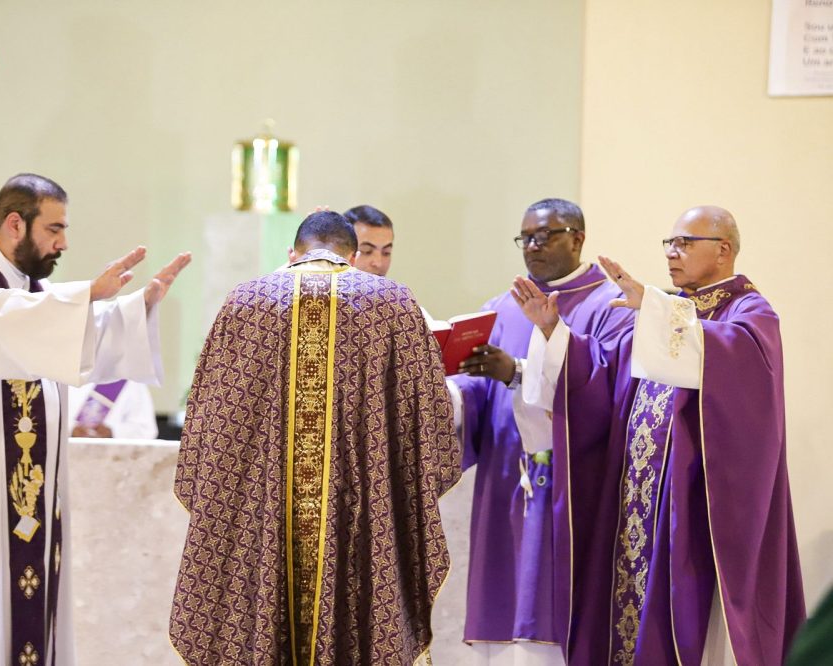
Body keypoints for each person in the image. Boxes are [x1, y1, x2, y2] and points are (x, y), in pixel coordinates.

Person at [0, 173, 191, 665]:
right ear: (15, 223)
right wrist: (82, 297)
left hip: (27, 497)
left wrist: (134, 309)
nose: (63, 243)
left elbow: (66, 338)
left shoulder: (29, 288)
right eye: (55, 229)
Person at [512, 205, 805, 664]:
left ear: (724, 249)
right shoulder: (661, 312)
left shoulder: (748, 311)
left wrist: (655, 308)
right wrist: (553, 329)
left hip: (696, 509)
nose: (672, 252)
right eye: (669, 243)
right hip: (637, 504)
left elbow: (738, 366)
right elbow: (600, 376)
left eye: (686, 243)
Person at [170, 211, 460, 665]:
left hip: (264, 524)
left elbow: (206, 433)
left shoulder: (245, 303)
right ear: (352, 254)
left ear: (293, 254)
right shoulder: (393, 304)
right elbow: (433, 427)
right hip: (360, 523)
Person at [449, 199, 633, 664]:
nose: (532, 246)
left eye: (545, 235)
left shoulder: (610, 306)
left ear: (578, 238)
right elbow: (475, 394)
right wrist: (447, 388)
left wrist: (518, 371)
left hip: (571, 492)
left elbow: (608, 393)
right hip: (505, 484)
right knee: (504, 615)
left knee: (555, 613)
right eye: (525, 237)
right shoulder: (502, 308)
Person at [68, 380, 158, 439]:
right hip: (64, 454)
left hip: (113, 459)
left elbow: (146, 430)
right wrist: (70, 430)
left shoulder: (131, 380)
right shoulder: (61, 374)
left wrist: (113, 432)